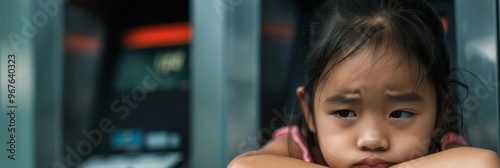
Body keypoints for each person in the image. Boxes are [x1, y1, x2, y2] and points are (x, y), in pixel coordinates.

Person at [229, 0, 500, 167]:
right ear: (310, 112)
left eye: (401, 113)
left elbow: (484, 164)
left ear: (440, 112)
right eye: (345, 113)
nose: (372, 140)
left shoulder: (443, 150)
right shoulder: (297, 146)